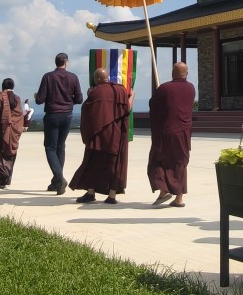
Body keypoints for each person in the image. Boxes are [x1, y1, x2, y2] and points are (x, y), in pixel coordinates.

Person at [70, 68, 134, 205]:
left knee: (93, 162)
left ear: (98, 79)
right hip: (116, 134)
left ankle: (91, 192)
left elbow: (88, 112)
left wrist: (89, 96)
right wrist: (132, 96)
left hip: (98, 135)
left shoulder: (96, 91)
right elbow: (127, 110)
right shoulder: (120, 90)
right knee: (113, 164)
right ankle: (112, 195)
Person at [35, 52, 84, 195]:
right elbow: (79, 99)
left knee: (50, 147)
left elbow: (40, 99)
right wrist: (68, 102)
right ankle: (57, 181)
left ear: (55, 62)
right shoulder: (73, 77)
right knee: (61, 146)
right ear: (66, 62)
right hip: (67, 115)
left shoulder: (48, 77)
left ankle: (59, 178)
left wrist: (38, 97)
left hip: (52, 114)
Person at [147, 62, 195, 208]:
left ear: (172, 73)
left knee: (157, 161)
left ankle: (164, 190)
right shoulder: (191, 88)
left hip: (167, 132)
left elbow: (153, 106)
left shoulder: (164, 88)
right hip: (184, 132)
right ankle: (179, 198)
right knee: (180, 163)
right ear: (186, 73)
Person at [0, 78, 24, 188]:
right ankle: (5, 180)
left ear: (2, 86)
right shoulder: (17, 98)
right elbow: (19, 115)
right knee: (9, 153)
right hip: (13, 130)